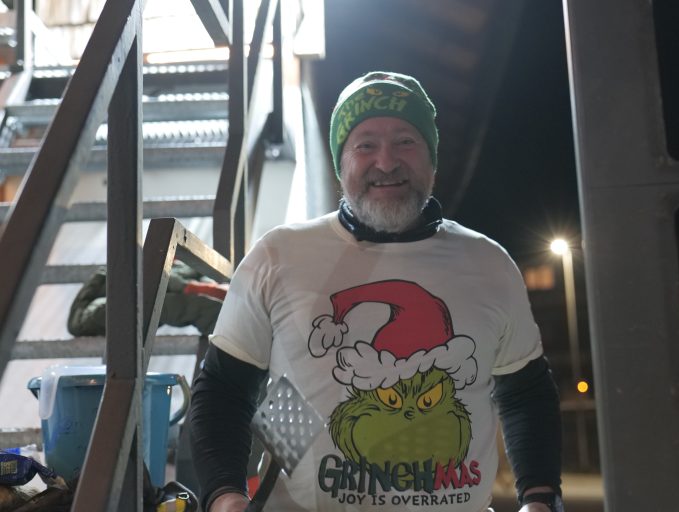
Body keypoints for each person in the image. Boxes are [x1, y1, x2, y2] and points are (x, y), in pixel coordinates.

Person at [189, 71, 564, 512]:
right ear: (340, 164)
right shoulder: (279, 255)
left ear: (432, 160)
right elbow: (225, 389)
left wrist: (539, 498)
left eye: (406, 141)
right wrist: (225, 496)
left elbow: (525, 393)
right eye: (365, 145)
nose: (386, 162)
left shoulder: (489, 263)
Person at [67, 260, 227, 337]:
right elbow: (141, 278)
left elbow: (208, 282)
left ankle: (223, 337)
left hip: (143, 311)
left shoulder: (184, 267)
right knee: (158, 286)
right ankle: (223, 340)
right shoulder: (127, 265)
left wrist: (207, 287)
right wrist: (191, 287)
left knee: (201, 303)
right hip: (94, 313)